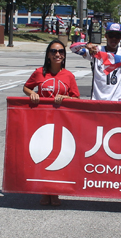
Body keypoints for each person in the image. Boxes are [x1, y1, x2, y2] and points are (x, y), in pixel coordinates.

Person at [23, 39, 80, 206]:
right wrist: (31, 94)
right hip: (41, 121)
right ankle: (44, 190)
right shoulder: (39, 72)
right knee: (42, 154)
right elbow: (27, 87)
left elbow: (76, 97)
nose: (58, 54)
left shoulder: (68, 76)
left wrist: (65, 97)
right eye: (54, 51)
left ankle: (54, 191)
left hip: (61, 122)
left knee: (58, 156)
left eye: (61, 51)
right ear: (48, 55)